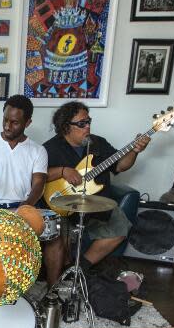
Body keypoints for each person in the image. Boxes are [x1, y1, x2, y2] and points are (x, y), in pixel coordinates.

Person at [43, 101, 150, 272]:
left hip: (96, 205)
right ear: (65, 127)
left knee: (121, 226)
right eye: (81, 123)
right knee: (56, 238)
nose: (87, 127)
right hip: (64, 208)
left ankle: (78, 269)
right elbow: (38, 176)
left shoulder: (98, 143)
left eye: (88, 122)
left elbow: (121, 165)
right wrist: (62, 171)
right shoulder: (50, 148)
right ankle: (57, 280)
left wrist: (134, 151)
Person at [0, 95, 63, 285]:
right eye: (5, 120)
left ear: (27, 123)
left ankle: (52, 293)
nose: (7, 126)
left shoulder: (37, 151)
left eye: (14, 122)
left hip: (22, 207)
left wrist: (25, 208)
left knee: (55, 239)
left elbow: (38, 184)